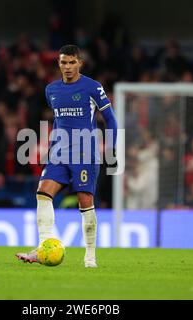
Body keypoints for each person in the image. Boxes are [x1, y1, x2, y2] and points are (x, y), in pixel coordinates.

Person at [15, 44, 118, 268]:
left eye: (72, 62)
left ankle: (90, 257)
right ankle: (43, 248)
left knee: (85, 202)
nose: (68, 67)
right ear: (58, 64)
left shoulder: (93, 87)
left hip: (85, 153)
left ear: (80, 63)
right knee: (43, 192)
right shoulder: (51, 90)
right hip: (59, 153)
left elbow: (110, 119)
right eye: (64, 62)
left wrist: (111, 149)